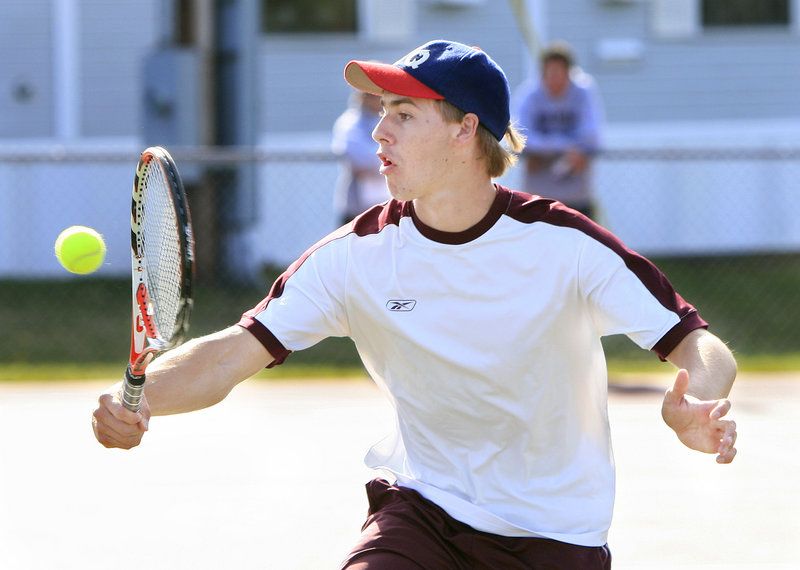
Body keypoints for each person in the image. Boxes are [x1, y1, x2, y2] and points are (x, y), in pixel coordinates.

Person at [93, 40, 738, 569]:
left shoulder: (564, 244)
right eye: (381, 111)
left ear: (465, 131)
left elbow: (696, 342)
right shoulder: (357, 254)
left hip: (556, 534)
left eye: (403, 113)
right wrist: (141, 400)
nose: (378, 130)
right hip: (422, 514)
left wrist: (700, 400)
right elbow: (234, 352)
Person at [512, 40, 604, 219]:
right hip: (538, 197)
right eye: (550, 72)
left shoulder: (584, 92)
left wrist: (544, 150)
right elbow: (518, 137)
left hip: (577, 196)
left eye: (559, 72)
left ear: (569, 72)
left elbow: (592, 136)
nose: (554, 78)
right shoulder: (529, 95)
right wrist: (564, 148)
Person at [332, 89, 390, 225]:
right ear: (362, 97)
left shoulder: (388, 119)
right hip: (357, 208)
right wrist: (390, 161)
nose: (378, 99)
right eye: (372, 95)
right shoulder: (350, 122)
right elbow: (359, 160)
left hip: (388, 206)